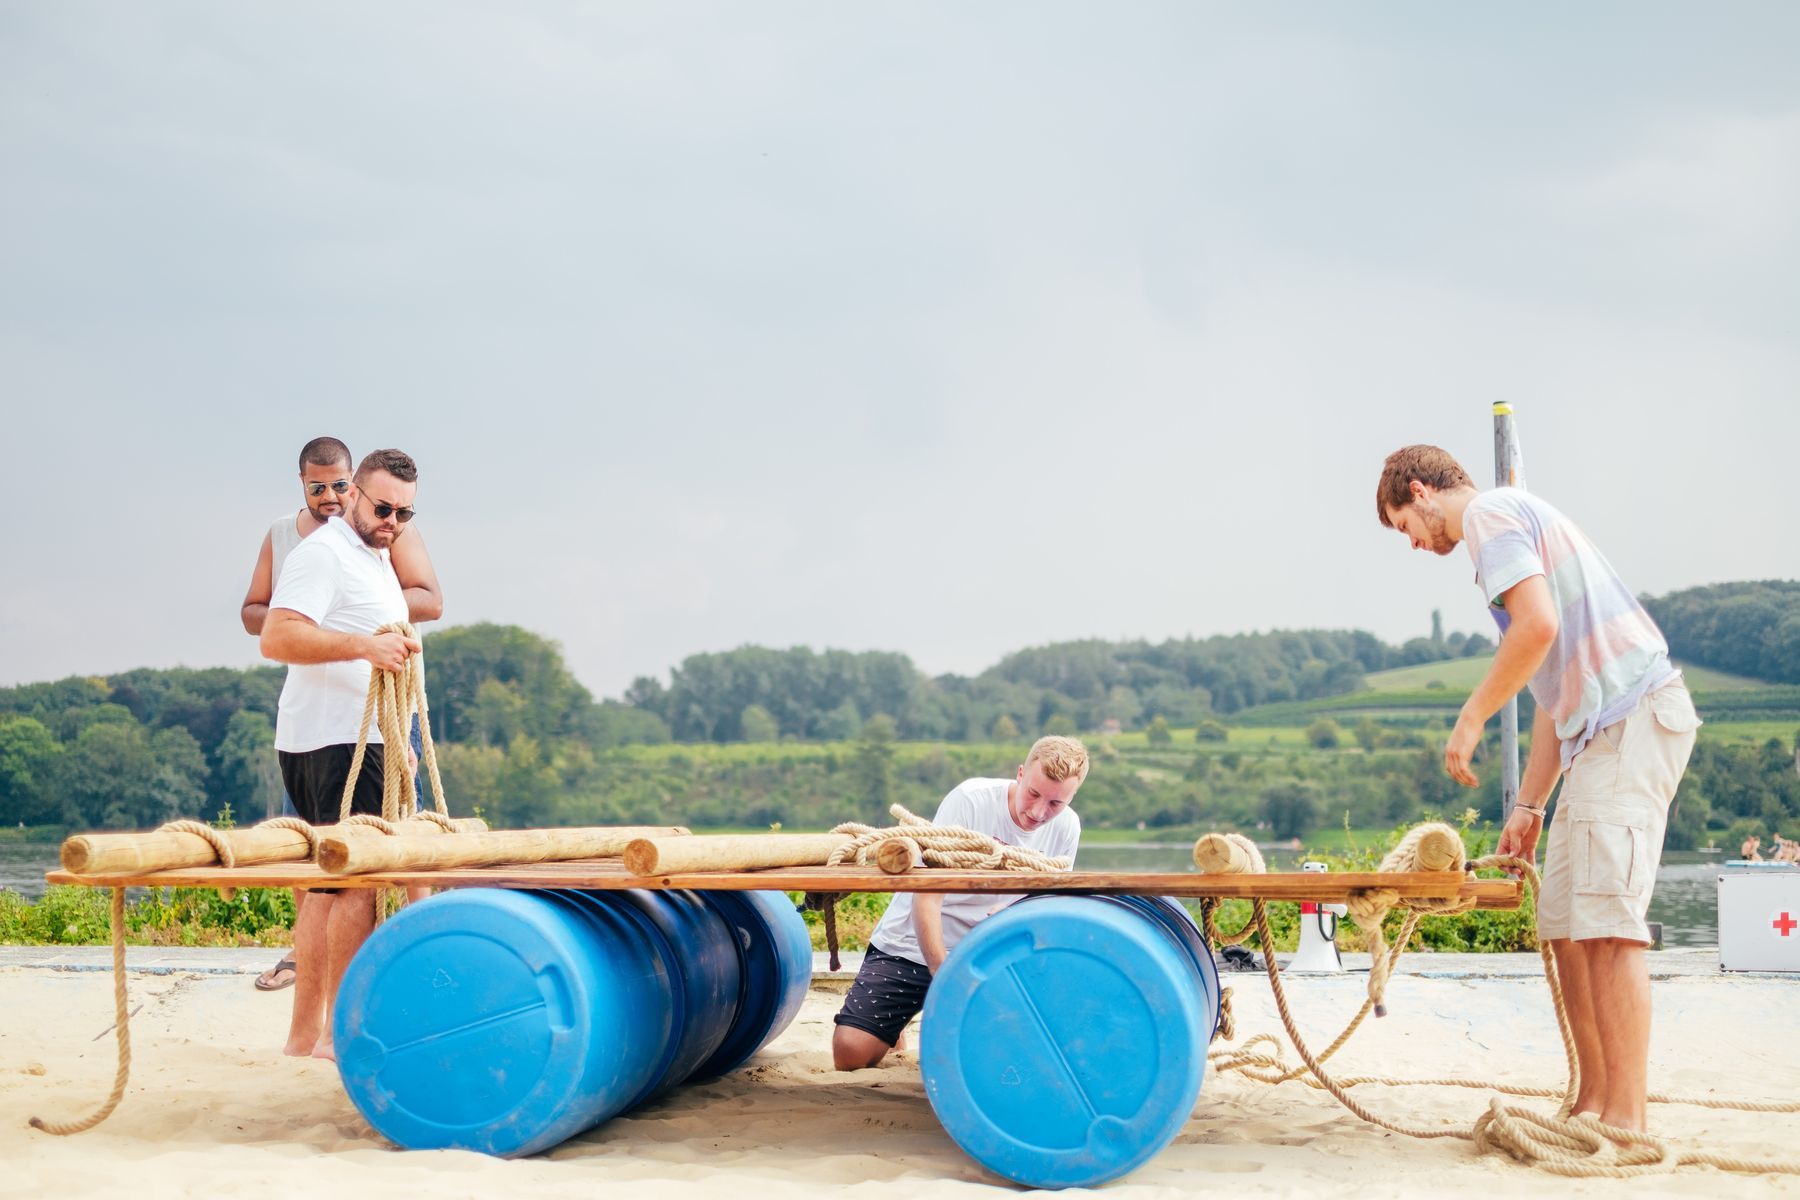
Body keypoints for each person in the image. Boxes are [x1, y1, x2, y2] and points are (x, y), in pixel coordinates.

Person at [1376, 444, 1699, 1133]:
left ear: (1419, 490)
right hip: (1595, 734)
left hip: (1632, 719)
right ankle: (1590, 1103)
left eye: (1402, 523)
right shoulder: (1504, 528)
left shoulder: (1491, 514)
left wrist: (1472, 717)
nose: (1411, 542)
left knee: (1608, 928)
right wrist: (1529, 806)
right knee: (1563, 927)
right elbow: (1553, 689)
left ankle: (1626, 1120)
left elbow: (1539, 627)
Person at [240, 437, 444, 992]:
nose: (393, 521)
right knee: (354, 884)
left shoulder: (377, 550)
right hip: (342, 740)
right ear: (354, 494)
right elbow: (275, 634)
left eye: (404, 513)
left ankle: (312, 1034)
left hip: (365, 732)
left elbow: (428, 598)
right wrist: (364, 646)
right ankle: (343, 1025)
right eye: (383, 509)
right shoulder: (322, 551)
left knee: (331, 881)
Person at [831, 736, 1088, 1071]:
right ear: (1021, 773)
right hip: (914, 946)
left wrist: (1013, 914)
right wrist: (942, 971)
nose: (1038, 812)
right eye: (1034, 794)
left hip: (990, 953)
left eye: (1056, 804)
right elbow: (928, 893)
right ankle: (896, 1026)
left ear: (1071, 797)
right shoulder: (969, 800)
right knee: (849, 1054)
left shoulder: (1068, 827)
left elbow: (1048, 903)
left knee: (1005, 1054)